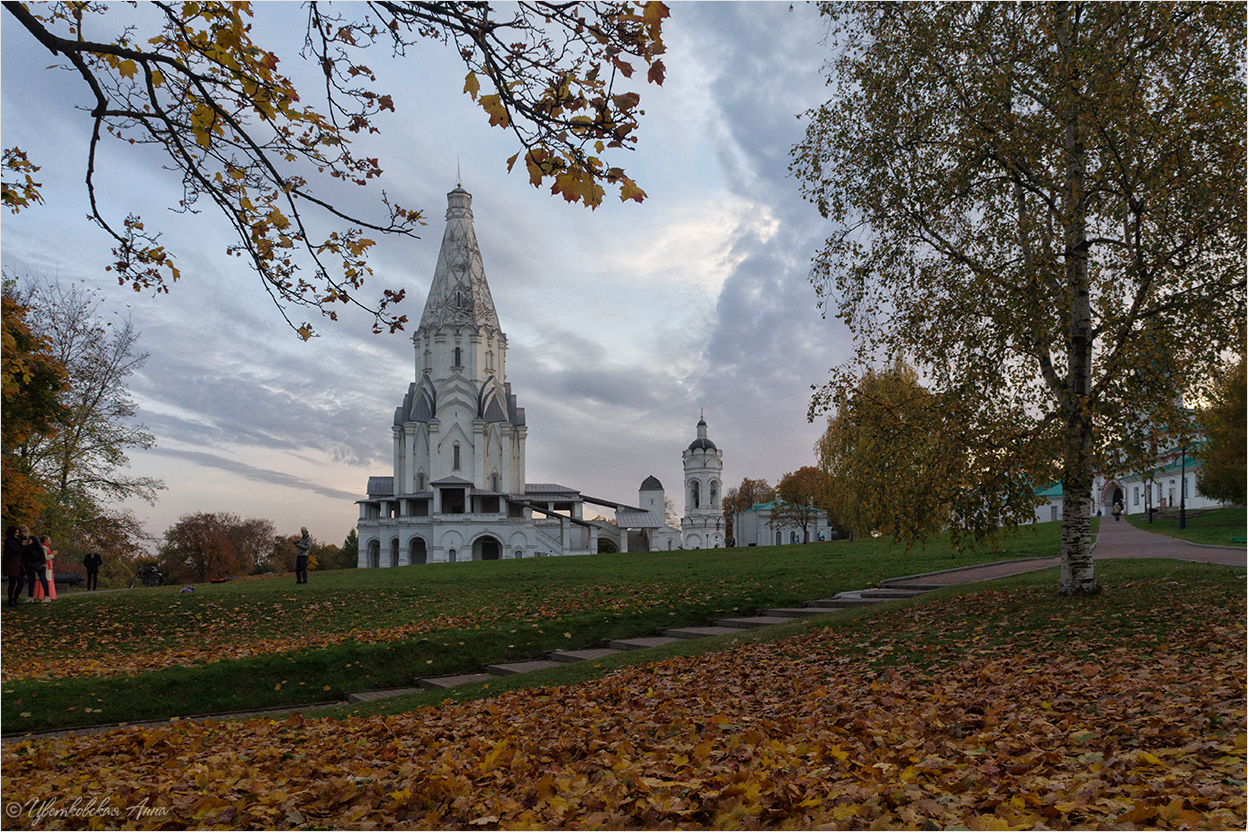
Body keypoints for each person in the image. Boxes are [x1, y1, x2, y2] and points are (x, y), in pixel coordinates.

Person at [22, 529, 49, 602]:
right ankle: (30, 596)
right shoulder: (21, 540)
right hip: (29, 563)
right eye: (22, 532)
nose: (23, 533)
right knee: (31, 580)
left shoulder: (33, 538)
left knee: (42, 578)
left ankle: (47, 596)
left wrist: (43, 562)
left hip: (38, 562)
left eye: (24, 531)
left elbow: (40, 550)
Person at [4, 526, 26, 606]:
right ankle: (10, 600)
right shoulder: (9, 541)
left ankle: (14, 599)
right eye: (16, 532)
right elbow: (16, 551)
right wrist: (22, 546)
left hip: (18, 564)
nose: (17, 534)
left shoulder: (16, 541)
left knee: (21, 582)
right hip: (11, 564)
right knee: (12, 583)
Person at [39, 535, 57, 601]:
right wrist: (53, 555)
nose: (50, 541)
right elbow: (45, 558)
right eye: (49, 539)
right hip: (46, 566)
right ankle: (46, 595)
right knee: (46, 580)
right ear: (46, 540)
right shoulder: (44, 548)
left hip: (48, 566)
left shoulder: (46, 547)